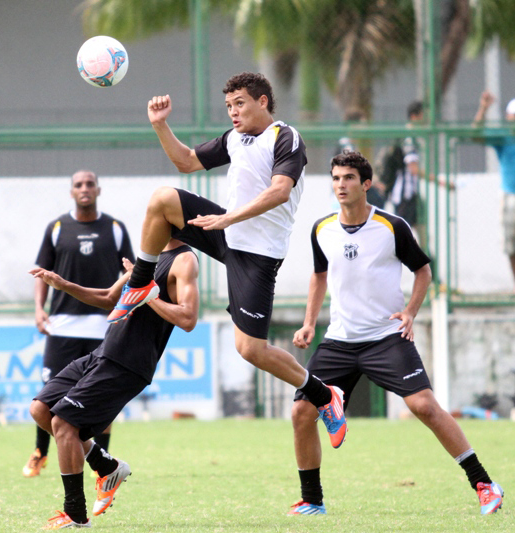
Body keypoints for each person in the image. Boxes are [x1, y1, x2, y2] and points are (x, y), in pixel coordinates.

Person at [105, 71, 347, 446]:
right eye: (228, 106)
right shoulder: (235, 138)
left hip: (258, 256)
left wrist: (229, 217)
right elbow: (186, 161)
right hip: (226, 233)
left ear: (262, 102)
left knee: (250, 349)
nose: (233, 113)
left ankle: (324, 395)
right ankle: (140, 283)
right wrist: (160, 125)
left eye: (240, 104)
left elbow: (280, 191)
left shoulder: (285, 138)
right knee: (162, 200)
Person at [288, 150, 503, 516]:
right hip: (339, 341)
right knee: (300, 413)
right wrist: (309, 322)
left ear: (366, 184)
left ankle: (484, 484)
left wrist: (410, 313)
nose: (341, 185)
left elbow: (423, 271)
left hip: (386, 338)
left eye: (349, 178)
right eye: (336, 178)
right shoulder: (321, 229)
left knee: (423, 407)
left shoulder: (392, 226)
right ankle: (312, 500)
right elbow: (319, 275)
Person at [29, 238, 199, 528]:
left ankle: (75, 515)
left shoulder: (185, 261)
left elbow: (188, 318)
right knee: (41, 410)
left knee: (63, 424)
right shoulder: (149, 257)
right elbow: (109, 297)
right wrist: (62, 284)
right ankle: (106, 465)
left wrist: (150, 296)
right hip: (104, 352)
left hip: (128, 363)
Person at [24, 169, 134, 477]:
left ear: (99, 189)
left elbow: (132, 272)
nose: (84, 188)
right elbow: (41, 272)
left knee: (103, 395)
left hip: (102, 324)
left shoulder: (114, 228)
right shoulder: (58, 227)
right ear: (71, 191)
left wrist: (124, 309)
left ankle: (104, 459)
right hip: (62, 325)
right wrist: (38, 308)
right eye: (78, 185)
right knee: (49, 393)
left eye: (89, 184)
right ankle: (40, 453)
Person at [473, 90, 515, 285]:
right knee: (510, 245)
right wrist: (483, 108)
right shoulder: (504, 137)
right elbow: (476, 135)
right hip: (510, 196)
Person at [388, 101, 424, 239]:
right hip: (404, 196)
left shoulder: (413, 137)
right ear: (415, 116)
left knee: (422, 232)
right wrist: (441, 181)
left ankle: (426, 259)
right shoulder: (409, 138)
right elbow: (413, 169)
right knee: (402, 236)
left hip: (412, 194)